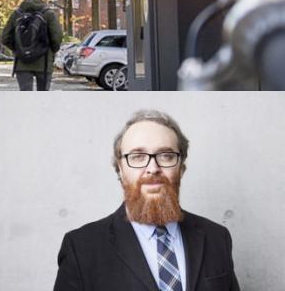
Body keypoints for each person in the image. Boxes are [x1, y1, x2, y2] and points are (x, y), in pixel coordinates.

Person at [53, 110, 239, 291]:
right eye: (137, 156)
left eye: (166, 156)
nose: (152, 168)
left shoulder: (217, 238)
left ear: (181, 168)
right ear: (120, 170)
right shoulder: (81, 248)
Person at [1, 0, 62, 90]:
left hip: (22, 62)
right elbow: (57, 37)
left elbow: (5, 37)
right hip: (44, 62)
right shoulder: (49, 14)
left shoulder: (17, 14)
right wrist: (51, 51)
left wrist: (18, 49)